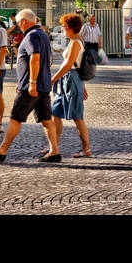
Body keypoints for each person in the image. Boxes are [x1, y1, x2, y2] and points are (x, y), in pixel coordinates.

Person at [0, 8, 60, 163]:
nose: (18, 26)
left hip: (32, 87)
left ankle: (1, 151)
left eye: (18, 23)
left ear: (24, 21)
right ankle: (54, 152)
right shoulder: (42, 34)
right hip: (42, 86)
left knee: (15, 118)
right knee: (46, 119)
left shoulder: (31, 36)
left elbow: (35, 58)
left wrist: (31, 83)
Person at [49, 13, 91, 159]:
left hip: (71, 79)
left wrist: (53, 78)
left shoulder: (76, 42)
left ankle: (86, 148)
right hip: (70, 80)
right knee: (55, 112)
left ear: (70, 27)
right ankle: (53, 146)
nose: (62, 28)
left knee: (77, 116)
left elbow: (69, 64)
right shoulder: (75, 40)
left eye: (64, 26)